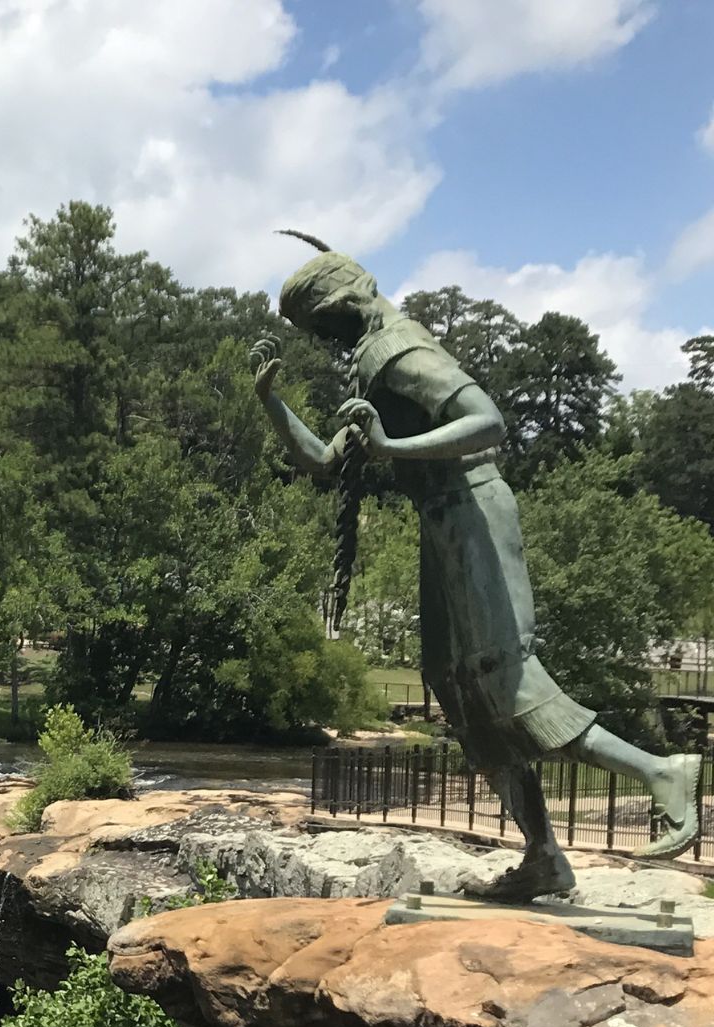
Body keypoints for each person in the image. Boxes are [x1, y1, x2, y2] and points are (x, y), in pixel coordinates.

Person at [253, 234, 701, 902]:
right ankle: (543, 856)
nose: (327, 343)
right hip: (442, 524)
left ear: (341, 303)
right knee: (460, 691)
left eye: (324, 328)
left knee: (508, 682)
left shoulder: (398, 347)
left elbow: (487, 421)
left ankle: (661, 771)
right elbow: (325, 460)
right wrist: (271, 399)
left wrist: (391, 445)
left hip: (471, 512)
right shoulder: (373, 360)